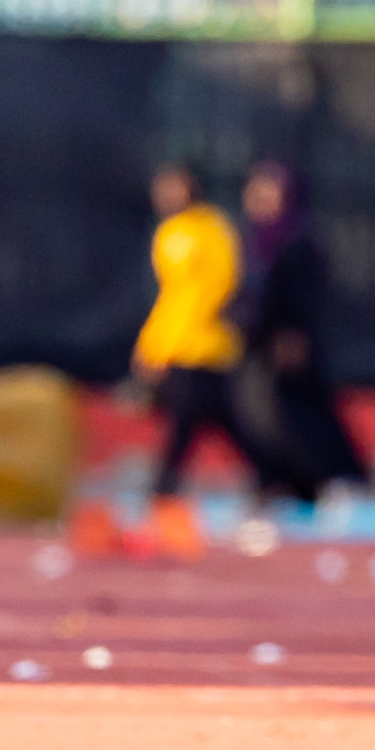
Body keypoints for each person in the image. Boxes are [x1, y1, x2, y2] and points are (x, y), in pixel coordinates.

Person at [133, 164, 296, 509]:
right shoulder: (168, 234)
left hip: (208, 347)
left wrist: (167, 343)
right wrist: (153, 344)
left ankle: (163, 489)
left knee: (192, 421)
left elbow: (216, 287)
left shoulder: (212, 229)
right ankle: (270, 477)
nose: (167, 195)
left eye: (174, 187)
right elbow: (171, 297)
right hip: (180, 347)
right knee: (217, 420)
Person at [238, 160, 369, 491]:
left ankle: (335, 476)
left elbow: (301, 294)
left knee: (302, 413)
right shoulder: (253, 242)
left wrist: (292, 335)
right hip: (259, 344)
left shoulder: (296, 240)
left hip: (290, 344)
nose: (257, 196)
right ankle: (283, 479)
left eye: (268, 188)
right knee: (260, 415)